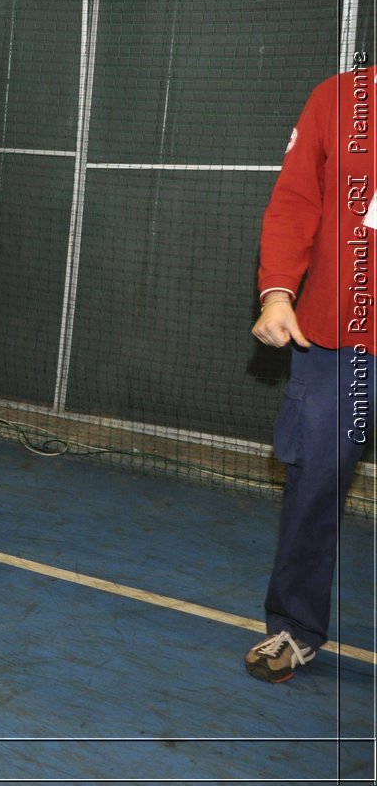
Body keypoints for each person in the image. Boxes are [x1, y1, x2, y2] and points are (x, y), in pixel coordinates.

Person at [245, 63, 376, 683]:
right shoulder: (340, 98)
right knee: (314, 482)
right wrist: (277, 292)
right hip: (337, 341)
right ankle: (293, 629)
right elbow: (296, 201)